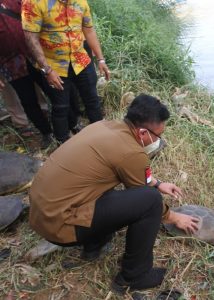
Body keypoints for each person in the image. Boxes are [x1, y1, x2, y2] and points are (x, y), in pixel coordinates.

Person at [29, 94, 200, 293]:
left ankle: (95, 244)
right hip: (58, 225)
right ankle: (134, 276)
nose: (159, 141)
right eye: (158, 136)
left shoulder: (102, 126)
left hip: (42, 212)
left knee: (111, 187)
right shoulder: (132, 152)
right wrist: (174, 217)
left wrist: (157, 183)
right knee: (151, 201)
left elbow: (127, 171)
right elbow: (142, 193)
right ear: (143, 133)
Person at [22, 0, 109, 144]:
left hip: (81, 61)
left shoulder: (81, 2)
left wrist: (101, 59)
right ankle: (63, 144)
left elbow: (88, 30)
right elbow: (31, 38)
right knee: (61, 106)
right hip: (54, 65)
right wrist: (47, 70)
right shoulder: (33, 2)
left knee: (92, 100)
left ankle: (100, 138)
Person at [1, 0, 52, 147]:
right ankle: (46, 132)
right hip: (11, 64)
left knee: (53, 89)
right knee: (28, 100)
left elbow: (37, 14)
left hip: (35, 55)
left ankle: (71, 122)